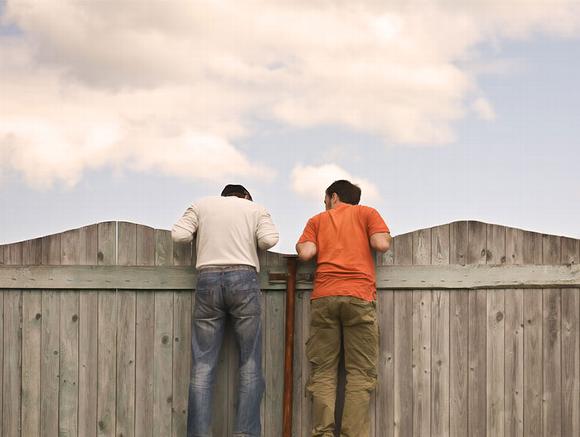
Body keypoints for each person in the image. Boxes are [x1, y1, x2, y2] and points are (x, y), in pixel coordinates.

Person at [172, 184, 279, 437]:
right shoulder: (255, 208)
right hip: (244, 276)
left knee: (203, 364)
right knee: (250, 361)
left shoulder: (200, 204)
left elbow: (179, 236)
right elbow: (268, 240)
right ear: (245, 197)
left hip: (207, 278)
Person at [296, 180, 391, 437]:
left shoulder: (317, 220)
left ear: (333, 196)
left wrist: (306, 242)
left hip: (325, 297)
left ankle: (323, 434)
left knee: (324, 371)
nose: (324, 204)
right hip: (359, 297)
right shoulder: (367, 213)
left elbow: (305, 253)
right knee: (360, 372)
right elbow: (381, 244)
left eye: (325, 199)